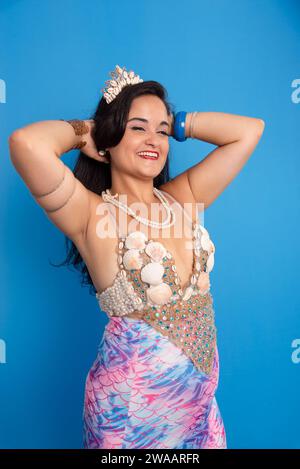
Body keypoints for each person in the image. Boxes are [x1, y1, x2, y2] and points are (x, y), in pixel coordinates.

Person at [8, 65, 265, 449]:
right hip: (129, 416)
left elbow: (249, 132)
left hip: (198, 409)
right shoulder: (90, 215)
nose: (154, 139)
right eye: (137, 127)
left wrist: (178, 123)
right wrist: (86, 130)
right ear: (110, 137)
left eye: (161, 131)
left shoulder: (182, 199)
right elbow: (26, 143)